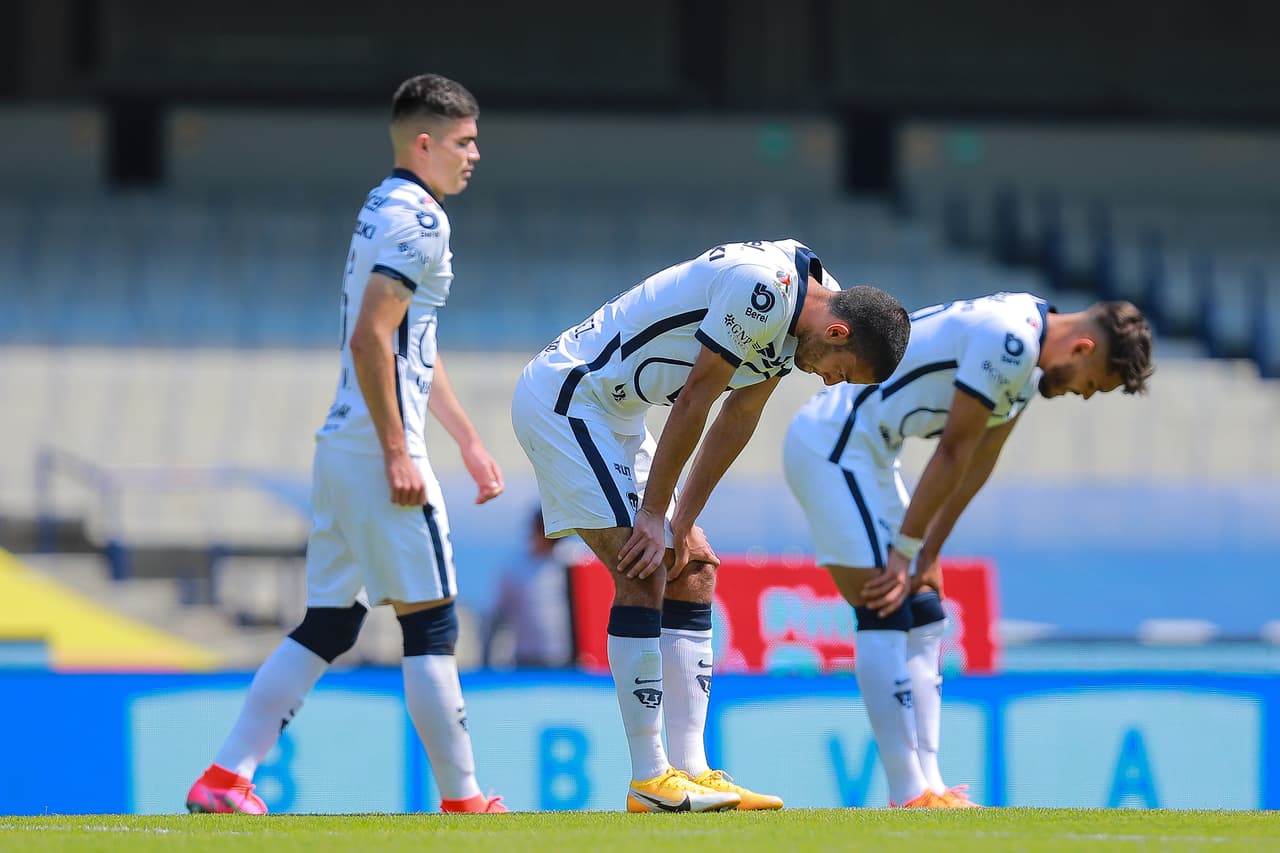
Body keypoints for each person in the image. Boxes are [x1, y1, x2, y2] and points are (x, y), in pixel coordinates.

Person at [187, 73, 508, 815]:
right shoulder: (422, 221)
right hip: (376, 448)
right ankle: (463, 800)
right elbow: (372, 336)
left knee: (330, 622)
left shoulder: (382, 206)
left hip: (341, 445)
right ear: (423, 143)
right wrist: (400, 449)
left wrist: (466, 438)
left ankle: (226, 774)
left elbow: (407, 342)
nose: (475, 154)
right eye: (464, 142)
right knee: (431, 621)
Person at [511, 239, 911, 812]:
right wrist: (653, 516)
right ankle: (649, 777)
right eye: (841, 375)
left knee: (693, 568)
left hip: (619, 414)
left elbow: (740, 413)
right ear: (838, 334)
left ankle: (693, 771)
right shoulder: (764, 289)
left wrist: (682, 520)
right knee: (644, 566)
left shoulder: (811, 310)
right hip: (570, 398)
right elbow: (697, 398)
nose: (829, 383)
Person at [783, 294, 1153, 808]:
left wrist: (927, 550)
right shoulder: (1011, 339)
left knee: (926, 606)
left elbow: (979, 462)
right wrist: (904, 552)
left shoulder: (1027, 355)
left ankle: (930, 783)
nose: (1082, 395)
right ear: (1083, 348)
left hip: (871, 451)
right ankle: (906, 790)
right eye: (1090, 384)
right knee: (883, 601)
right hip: (835, 441)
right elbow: (953, 449)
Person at [482, 508, 578, 669]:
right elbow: (496, 617)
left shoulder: (573, 562)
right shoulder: (515, 568)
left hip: (569, 660)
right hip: (527, 660)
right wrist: (485, 661)